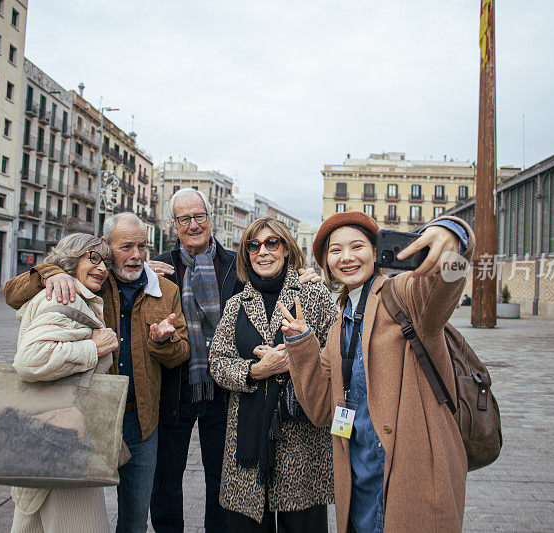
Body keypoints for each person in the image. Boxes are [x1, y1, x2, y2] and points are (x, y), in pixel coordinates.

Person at [279, 211, 475, 533]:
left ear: (375, 252)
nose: (347, 257)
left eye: (357, 246)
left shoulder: (405, 295)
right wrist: (301, 343)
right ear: (325, 263)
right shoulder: (338, 325)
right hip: (359, 483)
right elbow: (319, 409)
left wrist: (455, 239)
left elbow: (446, 284)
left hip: (410, 477)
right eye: (335, 250)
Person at [147, 188, 322, 533]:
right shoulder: (159, 269)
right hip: (175, 388)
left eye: (199, 216)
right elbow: (99, 265)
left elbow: (271, 280)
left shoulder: (236, 265)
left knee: (221, 482)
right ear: (174, 225)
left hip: (225, 395)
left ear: (211, 219)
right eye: (185, 218)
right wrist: (54, 273)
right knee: (165, 479)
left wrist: (303, 279)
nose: (194, 224)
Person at [3, 212, 190, 533]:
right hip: (82, 415)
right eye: (126, 246)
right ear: (105, 246)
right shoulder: (92, 277)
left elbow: (181, 353)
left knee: (133, 519)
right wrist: (49, 273)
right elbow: (12, 294)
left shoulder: (167, 290)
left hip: (140, 420)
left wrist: (163, 342)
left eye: (142, 247)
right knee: (73, 509)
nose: (136, 255)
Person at [208, 217, 336, 532]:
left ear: (286, 249)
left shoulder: (313, 294)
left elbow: (338, 357)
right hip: (247, 445)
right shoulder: (236, 304)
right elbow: (217, 362)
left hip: (301, 440)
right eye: (254, 245)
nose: (263, 251)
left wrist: (297, 358)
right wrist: (256, 371)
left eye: (271, 243)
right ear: (247, 254)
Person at [10, 233, 120, 532]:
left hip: (44, 433)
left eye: (106, 262)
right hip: (62, 441)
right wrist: (93, 348)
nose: (102, 267)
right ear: (71, 261)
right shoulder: (65, 297)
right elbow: (30, 359)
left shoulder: (70, 294)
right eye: (93, 258)